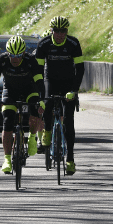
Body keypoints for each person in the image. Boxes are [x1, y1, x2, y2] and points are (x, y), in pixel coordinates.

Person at [34, 16, 85, 175]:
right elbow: (38, 71)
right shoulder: (44, 44)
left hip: (68, 83)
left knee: (69, 120)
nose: (60, 34)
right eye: (57, 31)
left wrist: (74, 90)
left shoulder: (73, 43)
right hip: (50, 81)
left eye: (63, 31)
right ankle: (47, 132)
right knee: (47, 105)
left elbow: (80, 69)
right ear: (52, 31)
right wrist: (41, 94)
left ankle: (70, 159)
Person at [0, 35, 44, 174]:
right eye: (12, 55)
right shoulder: (2, 59)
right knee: (7, 121)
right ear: (7, 53)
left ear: (24, 53)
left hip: (29, 90)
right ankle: (7, 159)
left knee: (34, 109)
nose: (14, 59)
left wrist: (41, 100)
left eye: (18, 55)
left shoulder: (30, 60)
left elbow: (39, 82)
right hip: (10, 91)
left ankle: (32, 137)